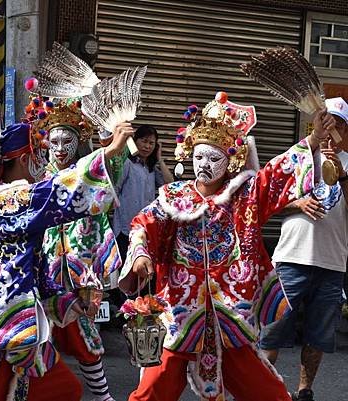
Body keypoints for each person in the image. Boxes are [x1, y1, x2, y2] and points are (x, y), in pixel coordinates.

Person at [118, 92, 332, 401]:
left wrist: (313, 138)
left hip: (231, 308)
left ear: (230, 159)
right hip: (179, 306)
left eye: (213, 158)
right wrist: (139, 254)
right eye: (199, 156)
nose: (204, 165)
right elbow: (143, 223)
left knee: (265, 391)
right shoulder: (174, 195)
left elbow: (273, 175)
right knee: (154, 387)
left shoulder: (243, 195)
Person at [0, 111, 135, 401]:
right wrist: (110, 150)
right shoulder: (8, 200)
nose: (44, 160)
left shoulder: (6, 199)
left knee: (64, 389)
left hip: (19, 322)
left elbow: (31, 268)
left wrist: (66, 300)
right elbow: (61, 191)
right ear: (24, 160)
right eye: (39, 154)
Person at [259, 97, 348, 401]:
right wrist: (297, 202)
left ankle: (303, 392)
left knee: (318, 337)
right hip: (291, 258)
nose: (331, 131)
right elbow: (266, 197)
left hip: (332, 263)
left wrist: (343, 174)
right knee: (272, 328)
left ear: (344, 131)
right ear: (317, 124)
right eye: (327, 123)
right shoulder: (297, 158)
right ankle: (261, 388)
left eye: (338, 126)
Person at [40, 98, 120, 401]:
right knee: (35, 338)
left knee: (84, 337)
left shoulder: (88, 177)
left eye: (67, 141)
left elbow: (99, 221)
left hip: (79, 271)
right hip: (40, 272)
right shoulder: (36, 176)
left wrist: (95, 275)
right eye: (54, 141)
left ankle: (101, 396)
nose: (60, 148)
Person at [112, 125, 173, 262]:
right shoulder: (127, 163)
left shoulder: (151, 169)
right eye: (144, 141)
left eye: (151, 143)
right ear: (135, 141)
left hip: (145, 228)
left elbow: (169, 184)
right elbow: (115, 189)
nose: (147, 146)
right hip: (125, 227)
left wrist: (160, 159)